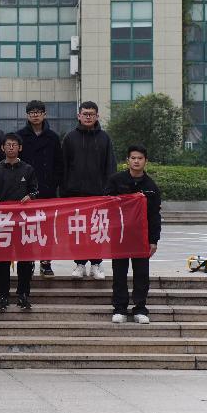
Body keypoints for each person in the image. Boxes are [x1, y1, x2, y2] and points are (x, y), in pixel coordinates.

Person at [106, 145, 161, 325]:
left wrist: (154, 240)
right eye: (133, 158)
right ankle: (119, 308)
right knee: (119, 273)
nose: (136, 161)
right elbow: (106, 205)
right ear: (127, 160)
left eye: (140, 158)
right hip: (120, 235)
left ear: (146, 161)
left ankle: (140, 308)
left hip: (141, 237)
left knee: (141, 274)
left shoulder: (151, 186)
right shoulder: (116, 181)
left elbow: (155, 215)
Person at [63, 100, 116, 280]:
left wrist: (109, 190)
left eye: (91, 114)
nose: (88, 117)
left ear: (97, 116)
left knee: (96, 230)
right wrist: (64, 191)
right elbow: (64, 166)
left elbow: (110, 166)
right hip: (75, 194)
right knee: (77, 231)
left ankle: (96, 264)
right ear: (79, 116)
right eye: (85, 114)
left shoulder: (104, 138)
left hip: (98, 194)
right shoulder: (70, 138)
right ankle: (79, 264)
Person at [0, 133, 39, 311]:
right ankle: (2, 296)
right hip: (2, 221)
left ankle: (23, 295)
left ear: (20, 148)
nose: (11, 147)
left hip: (23, 221)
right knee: (2, 260)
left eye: (14, 145)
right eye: (8, 144)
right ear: (2, 148)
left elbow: (35, 191)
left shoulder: (28, 169)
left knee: (25, 260)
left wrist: (30, 196)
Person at [16, 100, 63, 277]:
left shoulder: (53, 137)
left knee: (46, 227)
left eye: (38, 112)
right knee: (27, 227)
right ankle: (27, 261)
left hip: (47, 189)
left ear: (44, 114)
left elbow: (59, 163)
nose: (35, 115)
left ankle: (46, 262)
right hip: (25, 190)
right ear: (27, 115)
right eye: (31, 112)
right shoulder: (20, 136)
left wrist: (54, 183)